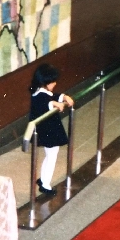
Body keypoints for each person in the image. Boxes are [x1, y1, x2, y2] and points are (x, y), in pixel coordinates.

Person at [29, 63, 74, 197]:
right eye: (52, 81)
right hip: (48, 130)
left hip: (48, 129)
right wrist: (55, 103)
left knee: (50, 155)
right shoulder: (39, 95)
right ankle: (45, 184)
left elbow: (52, 96)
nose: (55, 83)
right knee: (52, 156)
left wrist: (64, 97)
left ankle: (44, 179)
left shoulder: (40, 91)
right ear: (45, 82)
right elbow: (46, 102)